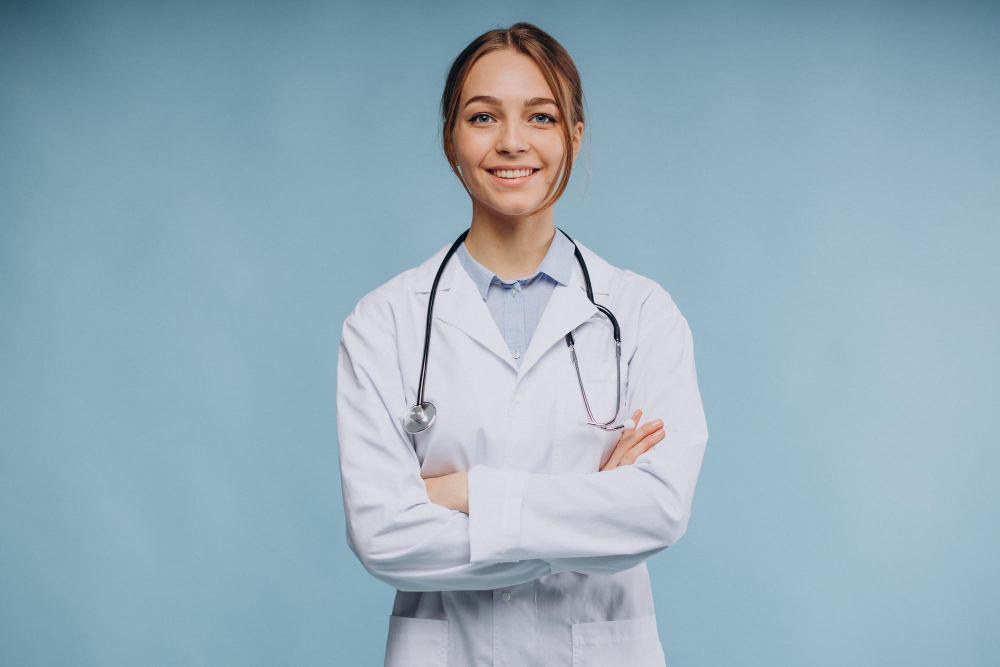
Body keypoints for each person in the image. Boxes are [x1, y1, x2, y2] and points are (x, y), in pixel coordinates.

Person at [336, 22, 708, 667]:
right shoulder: (385, 321)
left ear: (574, 135)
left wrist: (461, 493)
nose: (513, 142)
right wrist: (592, 503)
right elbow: (382, 535)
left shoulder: (642, 313)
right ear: (452, 138)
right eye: (483, 117)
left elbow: (657, 511)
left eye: (541, 116)